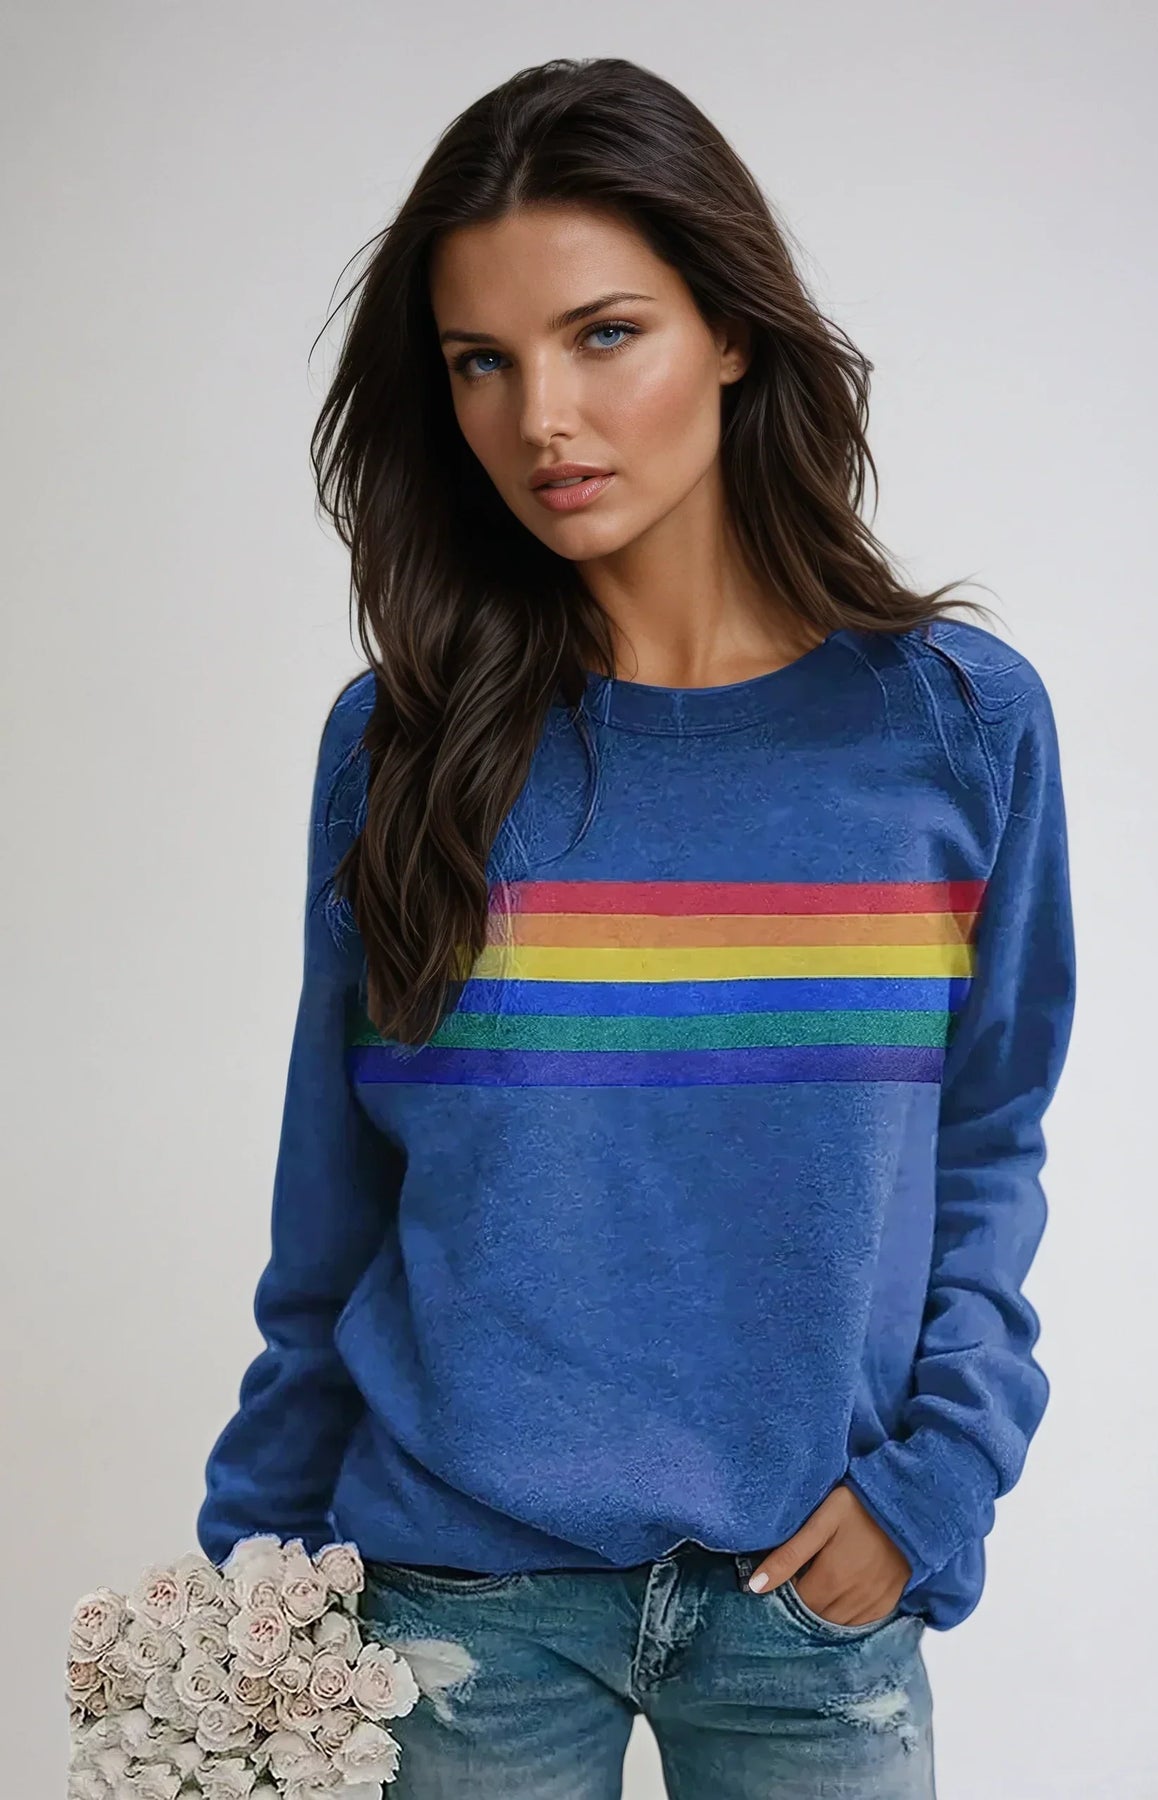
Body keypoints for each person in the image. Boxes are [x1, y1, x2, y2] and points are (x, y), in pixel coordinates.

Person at [196, 54, 1075, 1799]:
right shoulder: (398, 744)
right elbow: (330, 1202)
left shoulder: (955, 728)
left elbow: (986, 1139)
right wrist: (253, 1580)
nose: (542, 417)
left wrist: (933, 1485)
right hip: (448, 1596)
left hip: (808, 1595)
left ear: (731, 330)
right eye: (481, 360)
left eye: (603, 335)